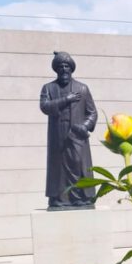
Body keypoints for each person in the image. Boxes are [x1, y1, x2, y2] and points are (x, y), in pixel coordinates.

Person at [40, 51, 97, 208]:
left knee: (77, 165)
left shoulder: (82, 88)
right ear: (56, 69)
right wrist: (66, 99)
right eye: (60, 66)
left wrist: (85, 126)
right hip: (57, 134)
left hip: (77, 135)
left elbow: (92, 112)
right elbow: (44, 106)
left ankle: (80, 197)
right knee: (58, 167)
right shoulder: (48, 88)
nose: (64, 69)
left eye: (66, 66)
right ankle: (59, 198)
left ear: (71, 69)